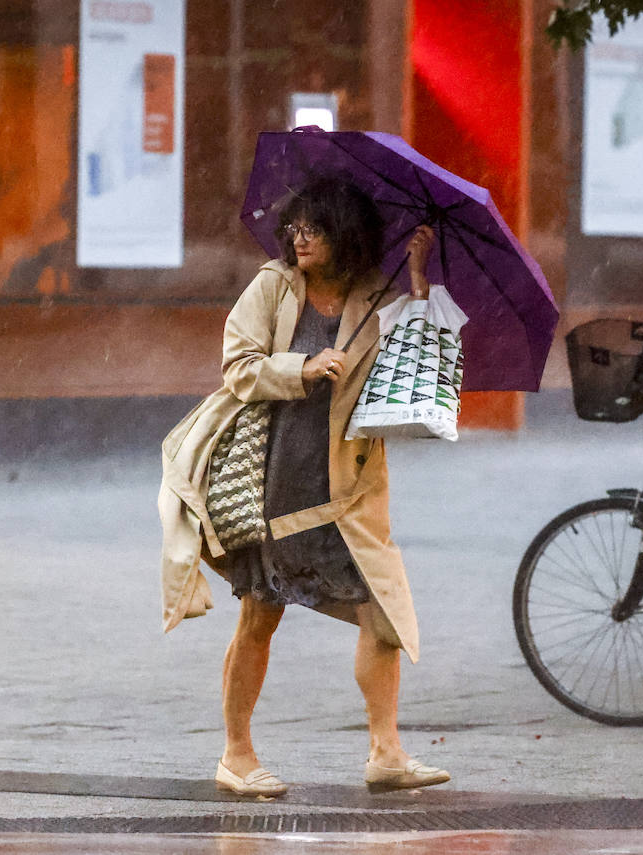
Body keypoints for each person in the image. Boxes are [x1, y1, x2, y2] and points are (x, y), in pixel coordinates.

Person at [156, 177, 447, 797]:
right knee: (261, 616)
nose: (299, 237)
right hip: (276, 477)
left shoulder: (378, 296)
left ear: (346, 233)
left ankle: (386, 754)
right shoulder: (273, 286)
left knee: (383, 617)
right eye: (296, 227)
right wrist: (302, 368)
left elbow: (419, 369)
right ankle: (236, 755)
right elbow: (237, 368)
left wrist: (418, 281)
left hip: (350, 488)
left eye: (313, 227)